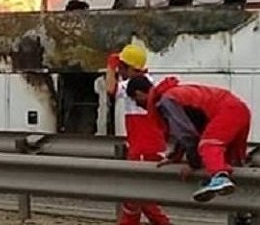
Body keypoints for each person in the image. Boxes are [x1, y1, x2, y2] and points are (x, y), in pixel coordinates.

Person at [126, 76, 251, 202]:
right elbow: (191, 127)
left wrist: (194, 164)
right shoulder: (172, 94)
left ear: (139, 93)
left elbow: (187, 134)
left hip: (227, 111)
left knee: (209, 145)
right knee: (232, 159)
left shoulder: (167, 101)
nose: (137, 104)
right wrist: (175, 156)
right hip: (238, 109)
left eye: (134, 99)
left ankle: (219, 178)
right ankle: (233, 194)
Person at [105, 44, 171, 225]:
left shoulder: (133, 86)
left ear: (131, 68)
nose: (120, 70)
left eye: (122, 67)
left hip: (143, 147)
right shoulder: (150, 82)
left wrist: (110, 66)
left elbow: (110, 89)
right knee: (136, 197)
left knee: (139, 196)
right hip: (148, 146)